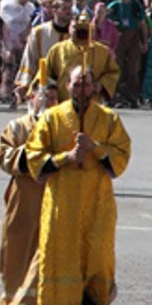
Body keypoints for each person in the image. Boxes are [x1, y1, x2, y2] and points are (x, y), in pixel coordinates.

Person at [25, 67, 131, 304]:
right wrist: (66, 158)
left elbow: (121, 156)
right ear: (67, 85)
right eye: (75, 84)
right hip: (63, 206)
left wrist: (97, 148)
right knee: (60, 262)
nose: (80, 90)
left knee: (97, 261)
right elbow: (34, 157)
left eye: (85, 84)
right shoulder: (52, 118)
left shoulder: (109, 119)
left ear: (93, 87)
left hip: (96, 205)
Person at [0, 70, 59, 305]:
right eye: (44, 97)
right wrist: (30, 156)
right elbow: (3, 155)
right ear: (32, 97)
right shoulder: (17, 127)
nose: (49, 102)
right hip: (24, 197)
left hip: (52, 196)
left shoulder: (63, 127)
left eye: (53, 98)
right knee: (15, 252)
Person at [44, 13, 120, 103]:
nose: (81, 32)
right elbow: (44, 74)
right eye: (77, 28)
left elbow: (113, 72)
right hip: (63, 102)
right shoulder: (57, 49)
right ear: (69, 28)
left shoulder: (102, 51)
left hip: (93, 103)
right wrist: (50, 90)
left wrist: (101, 85)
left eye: (85, 29)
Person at [15, 0, 71, 101]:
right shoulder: (39, 32)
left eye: (69, 9)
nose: (68, 12)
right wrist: (25, 83)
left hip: (68, 86)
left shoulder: (76, 33)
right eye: (64, 9)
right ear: (54, 10)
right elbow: (29, 58)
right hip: (44, 84)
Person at [107, 0, 148, 108]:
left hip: (133, 37)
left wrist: (144, 41)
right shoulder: (114, 6)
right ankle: (117, 96)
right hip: (119, 37)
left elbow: (142, 24)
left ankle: (132, 97)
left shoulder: (135, 5)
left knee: (133, 68)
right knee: (118, 67)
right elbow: (106, 22)